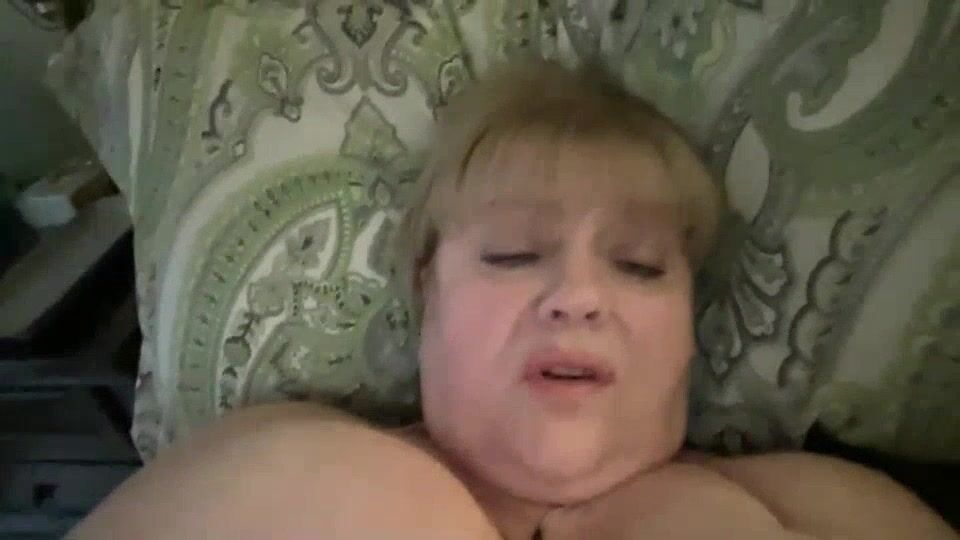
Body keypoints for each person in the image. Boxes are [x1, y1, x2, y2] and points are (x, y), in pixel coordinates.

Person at [69, 61, 956, 540]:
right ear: (427, 294)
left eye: (640, 266)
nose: (578, 297)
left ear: (692, 331)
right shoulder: (279, 457)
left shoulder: (821, 505)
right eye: (513, 254)